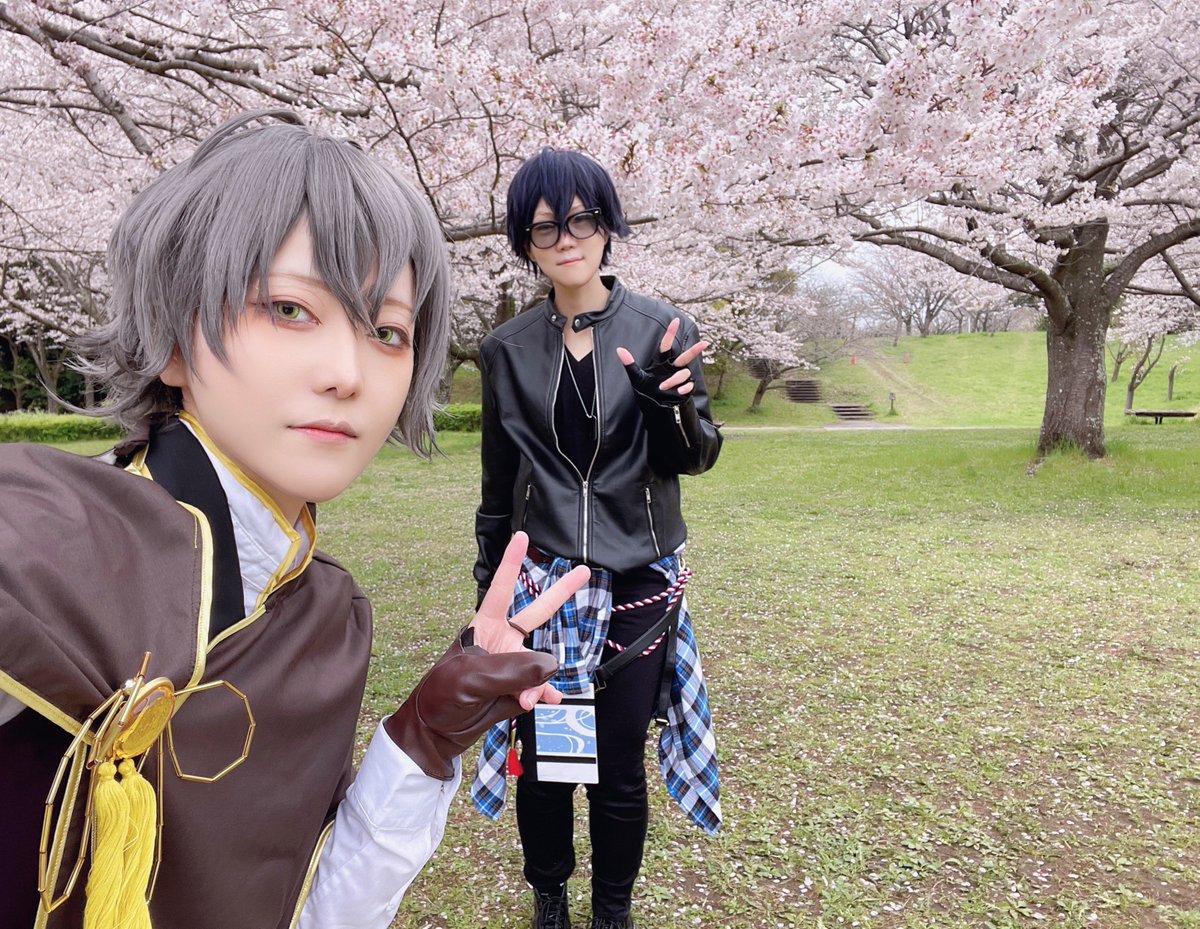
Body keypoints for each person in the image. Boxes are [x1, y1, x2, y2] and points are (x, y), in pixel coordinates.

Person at [0, 110, 589, 929]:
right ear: (172, 339)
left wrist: (421, 738)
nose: (348, 372)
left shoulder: (327, 622)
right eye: (288, 308)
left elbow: (301, 912)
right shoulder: (36, 540)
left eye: (387, 331)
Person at [468, 148, 723, 929]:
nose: (567, 238)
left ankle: (613, 912)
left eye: (582, 219)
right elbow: (498, 490)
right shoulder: (507, 350)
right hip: (547, 588)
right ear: (526, 240)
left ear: (607, 225)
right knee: (548, 761)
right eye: (545, 227)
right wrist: (489, 599)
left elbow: (696, 456)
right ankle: (549, 897)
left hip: (639, 580)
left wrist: (670, 408)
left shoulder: (660, 331)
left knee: (616, 765)